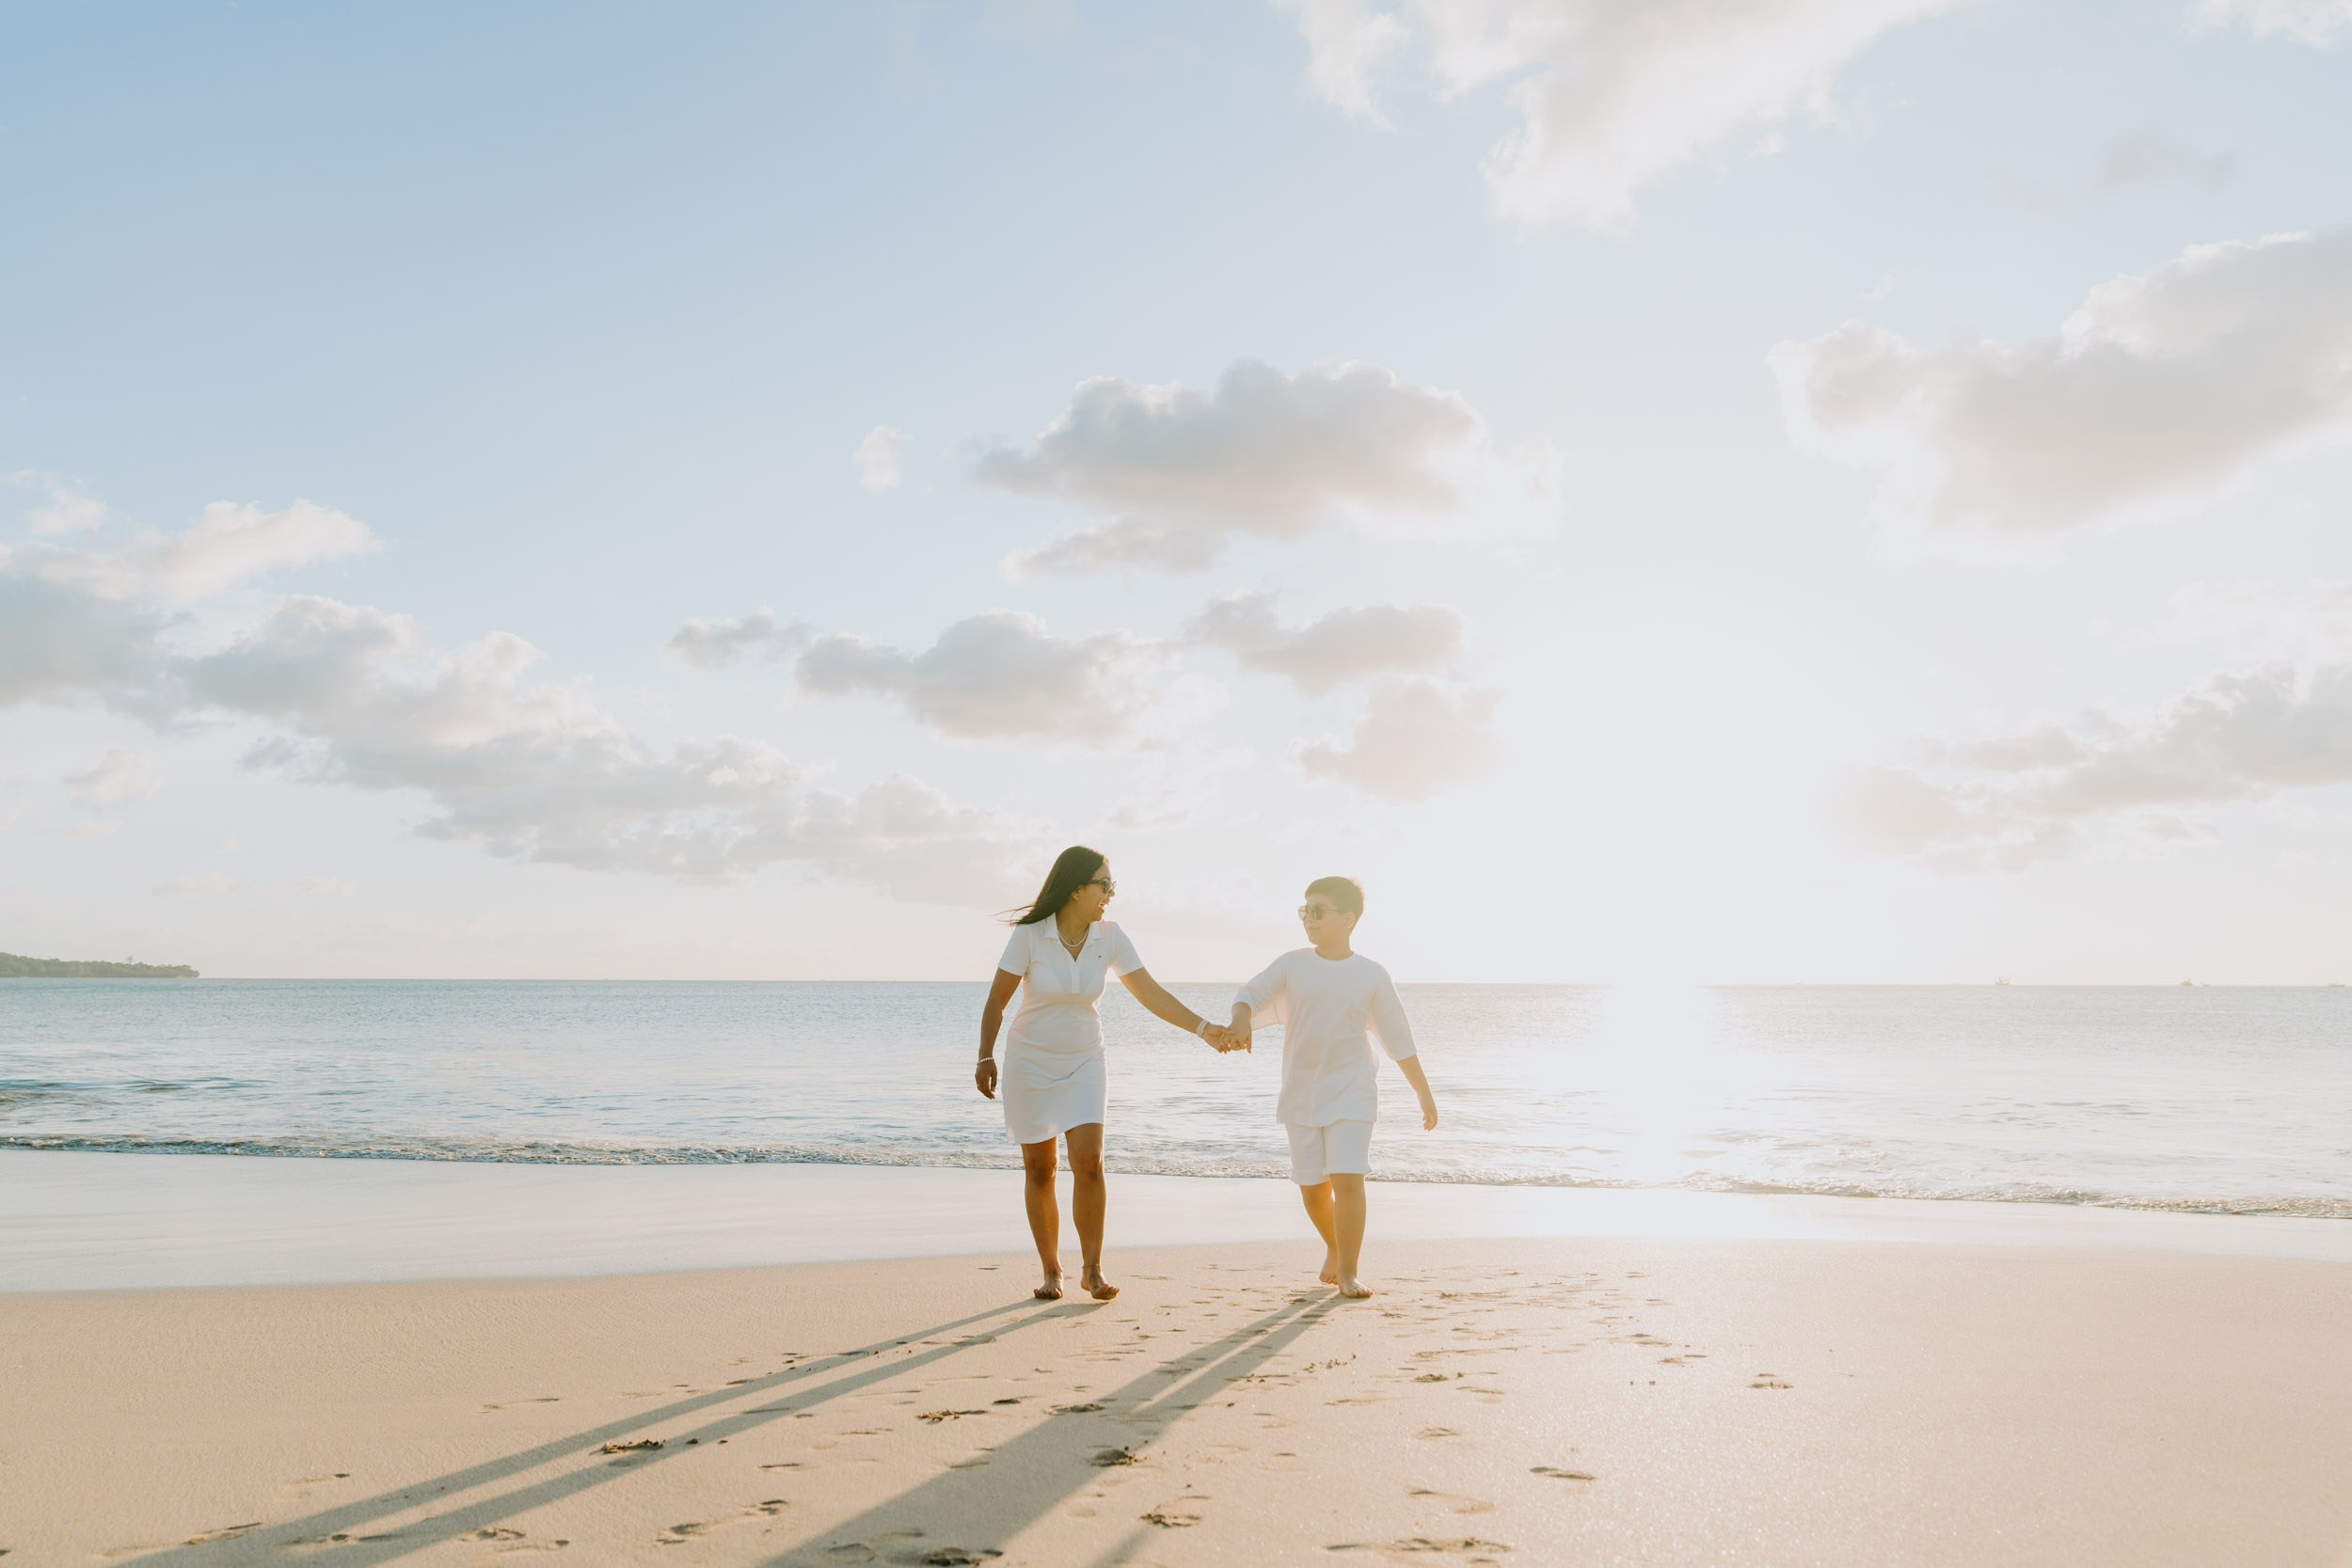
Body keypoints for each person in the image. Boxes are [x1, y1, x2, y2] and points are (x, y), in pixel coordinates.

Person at [977, 846, 1238, 1301]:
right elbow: (997, 1001)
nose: (1111, 894)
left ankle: (1092, 1270)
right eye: (1106, 885)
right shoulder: (1031, 937)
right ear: (1077, 889)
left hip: (1085, 1059)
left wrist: (1203, 1029)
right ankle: (1051, 1271)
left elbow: (1149, 993)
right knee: (1041, 1168)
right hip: (1030, 1061)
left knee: (1089, 1160)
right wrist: (984, 1056)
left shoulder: (1111, 936)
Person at [1227, 876, 1436, 1299]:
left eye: (1318, 912)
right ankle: (1335, 1246)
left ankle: (1348, 1271)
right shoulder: (1293, 964)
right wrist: (1241, 1020)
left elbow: (1399, 1040)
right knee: (1311, 1187)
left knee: (1348, 1177)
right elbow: (1249, 993)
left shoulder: (1371, 974)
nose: (1309, 920)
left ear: (1348, 919)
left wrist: (1423, 1093)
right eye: (1305, 911)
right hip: (1302, 1093)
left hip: (1353, 1090)